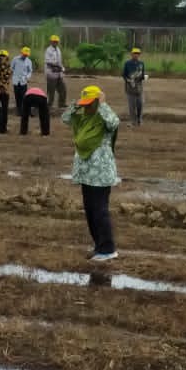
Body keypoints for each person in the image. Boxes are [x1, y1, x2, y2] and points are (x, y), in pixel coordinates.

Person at [65, 85, 120, 262]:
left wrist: (103, 105)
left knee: (100, 210)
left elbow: (114, 122)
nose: (87, 107)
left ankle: (108, 249)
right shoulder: (84, 119)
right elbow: (65, 118)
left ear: (97, 102)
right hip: (86, 173)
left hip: (101, 173)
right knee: (90, 210)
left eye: (90, 103)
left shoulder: (103, 119)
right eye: (85, 104)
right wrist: (76, 105)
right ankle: (99, 245)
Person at [122, 47, 147, 126]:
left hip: (139, 87)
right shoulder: (127, 63)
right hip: (130, 87)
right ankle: (133, 121)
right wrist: (129, 81)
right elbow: (124, 75)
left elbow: (142, 74)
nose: (136, 55)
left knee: (140, 104)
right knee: (132, 106)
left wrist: (144, 77)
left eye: (138, 53)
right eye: (135, 53)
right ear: (131, 54)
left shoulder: (141, 63)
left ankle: (139, 120)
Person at [44, 35, 68, 112]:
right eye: (54, 41)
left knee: (63, 89)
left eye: (56, 41)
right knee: (51, 91)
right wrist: (57, 66)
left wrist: (62, 68)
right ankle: (49, 104)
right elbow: (48, 62)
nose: (55, 43)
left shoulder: (58, 49)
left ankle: (61, 103)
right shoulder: (48, 50)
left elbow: (59, 61)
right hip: (51, 73)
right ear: (51, 42)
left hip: (59, 73)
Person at [11, 46, 34, 117]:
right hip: (16, 81)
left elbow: (30, 71)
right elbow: (11, 68)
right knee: (17, 97)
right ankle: (19, 111)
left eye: (26, 54)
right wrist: (13, 74)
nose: (25, 55)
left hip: (23, 82)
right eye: (24, 54)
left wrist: (27, 77)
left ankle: (27, 111)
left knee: (25, 97)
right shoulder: (15, 59)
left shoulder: (29, 61)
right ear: (21, 53)